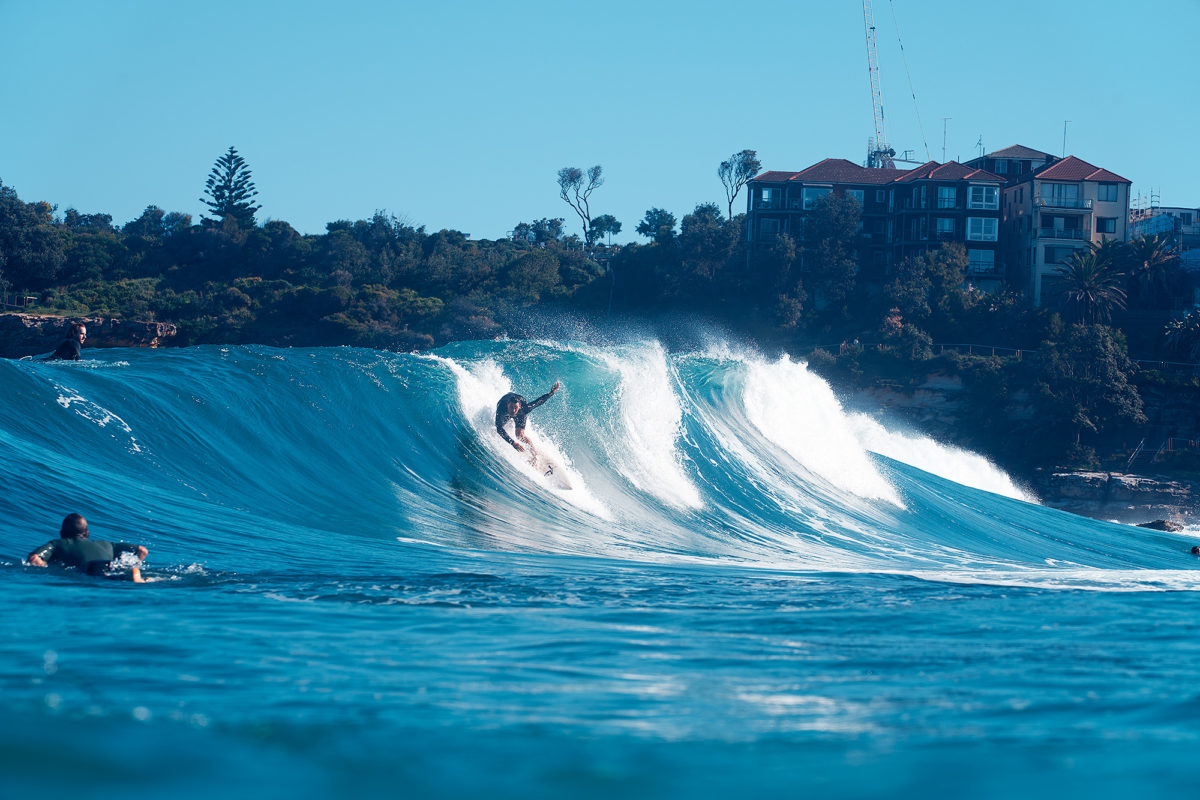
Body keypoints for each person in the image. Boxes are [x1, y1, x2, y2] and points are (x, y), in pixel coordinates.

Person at [27, 513, 148, 583]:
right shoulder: (109, 544)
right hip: (110, 565)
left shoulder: (57, 543)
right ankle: (135, 574)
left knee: (102, 577)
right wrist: (135, 565)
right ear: (87, 533)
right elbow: (142, 550)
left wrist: (46, 567)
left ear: (62, 533)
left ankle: (133, 576)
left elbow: (34, 558)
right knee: (118, 574)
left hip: (91, 568)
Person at [495, 381, 560, 455]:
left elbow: (539, 402)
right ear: (507, 405)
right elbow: (499, 429)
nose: (513, 410)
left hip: (521, 405)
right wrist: (513, 443)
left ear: (519, 407)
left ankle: (534, 455)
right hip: (506, 400)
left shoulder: (524, 409)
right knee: (501, 425)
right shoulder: (501, 408)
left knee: (520, 435)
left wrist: (551, 393)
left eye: (515, 408)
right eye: (511, 407)